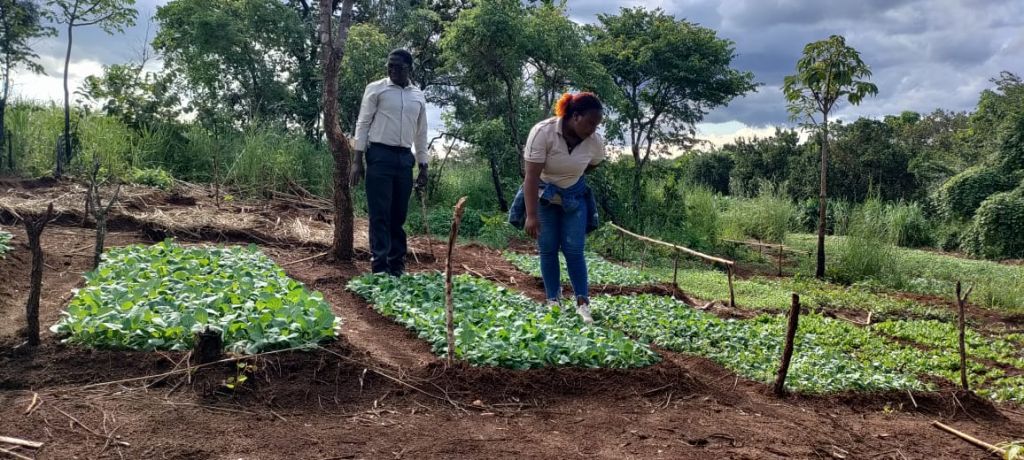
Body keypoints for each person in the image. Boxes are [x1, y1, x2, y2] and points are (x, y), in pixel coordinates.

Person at [514, 92, 605, 324]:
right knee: (548, 248)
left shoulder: (594, 142)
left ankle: (583, 304)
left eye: (597, 125)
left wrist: (570, 177)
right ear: (575, 116)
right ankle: (553, 300)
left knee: (575, 250)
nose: (593, 129)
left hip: (574, 197)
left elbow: (592, 165)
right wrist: (531, 216)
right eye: (590, 123)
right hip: (543, 195)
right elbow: (531, 177)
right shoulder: (543, 133)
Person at [351, 49, 429, 276]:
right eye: (390, 66)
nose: (392, 70)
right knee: (380, 214)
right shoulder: (376, 89)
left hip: (405, 158)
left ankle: (397, 266)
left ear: (409, 68)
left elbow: (421, 133)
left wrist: (423, 166)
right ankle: (379, 267)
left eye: (398, 67)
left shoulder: (418, 95)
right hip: (379, 155)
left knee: (399, 215)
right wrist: (357, 160)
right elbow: (363, 123)